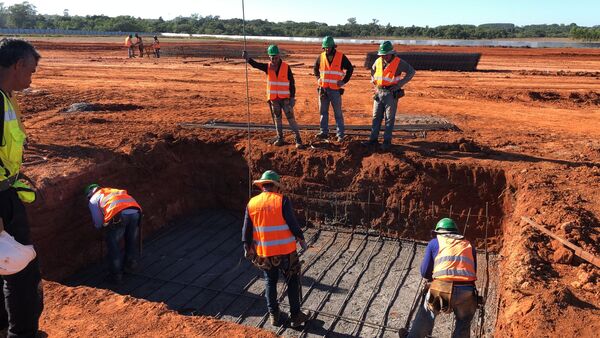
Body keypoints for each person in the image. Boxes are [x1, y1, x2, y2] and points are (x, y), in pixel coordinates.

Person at [0, 38, 44, 338]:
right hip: (1, 201)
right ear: (17, 65)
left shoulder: (6, 97)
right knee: (21, 270)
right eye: (30, 70)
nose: (31, 77)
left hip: (7, 192)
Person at [242, 170, 309, 328]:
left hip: (265, 253)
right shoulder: (282, 200)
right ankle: (295, 316)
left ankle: (274, 315)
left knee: (270, 282)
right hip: (286, 251)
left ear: (263, 186)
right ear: (276, 187)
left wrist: (247, 247)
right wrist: (301, 239)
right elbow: (292, 223)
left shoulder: (252, 203)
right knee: (292, 281)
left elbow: (246, 229)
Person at [407, 218, 479, 338]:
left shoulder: (434, 242)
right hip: (466, 291)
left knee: (427, 313)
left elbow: (425, 272)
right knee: (464, 322)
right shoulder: (469, 245)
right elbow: (472, 271)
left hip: (441, 288)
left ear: (439, 232)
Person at [242, 46, 305, 149]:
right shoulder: (268, 67)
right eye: (272, 58)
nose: (274, 60)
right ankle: (280, 138)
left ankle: (298, 139)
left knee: (291, 119)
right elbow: (256, 65)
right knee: (277, 119)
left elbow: (292, 83)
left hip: (285, 99)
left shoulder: (286, 67)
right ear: (269, 57)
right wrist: (248, 59)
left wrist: (292, 97)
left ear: (279, 56)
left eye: (276, 57)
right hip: (274, 100)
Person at [85, 184, 142, 284]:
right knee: (130, 239)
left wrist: (102, 228)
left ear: (89, 194)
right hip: (136, 212)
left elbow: (98, 222)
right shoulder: (111, 191)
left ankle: (116, 275)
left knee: (113, 245)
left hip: (119, 216)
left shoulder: (93, 199)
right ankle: (130, 265)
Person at [363, 41, 415, 151]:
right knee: (376, 117)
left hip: (391, 94)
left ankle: (386, 142)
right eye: (382, 54)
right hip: (378, 92)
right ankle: (373, 140)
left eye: (386, 54)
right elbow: (372, 71)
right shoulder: (378, 61)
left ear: (392, 53)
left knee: (389, 119)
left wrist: (399, 84)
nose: (384, 56)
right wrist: (374, 83)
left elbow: (411, 72)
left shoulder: (399, 62)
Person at [313, 36, 353, 142]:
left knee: (338, 113)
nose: (327, 49)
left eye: (329, 47)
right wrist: (318, 79)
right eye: (325, 47)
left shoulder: (341, 57)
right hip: (323, 90)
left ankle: (340, 135)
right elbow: (315, 68)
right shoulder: (321, 57)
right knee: (323, 112)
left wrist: (344, 81)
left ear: (333, 46)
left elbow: (350, 68)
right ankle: (324, 132)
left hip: (335, 90)